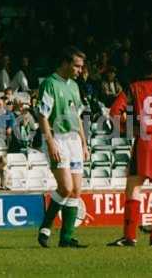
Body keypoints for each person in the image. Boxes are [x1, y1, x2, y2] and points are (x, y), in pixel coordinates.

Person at [108, 50, 152, 246]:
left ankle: (130, 236)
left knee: (134, 186)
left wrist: (128, 128)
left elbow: (114, 112)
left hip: (146, 141)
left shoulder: (134, 87)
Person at [37, 46, 89, 248]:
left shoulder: (74, 86)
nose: (79, 70)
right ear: (65, 63)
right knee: (65, 188)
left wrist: (84, 143)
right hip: (57, 137)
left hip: (74, 139)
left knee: (76, 190)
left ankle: (66, 238)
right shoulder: (50, 84)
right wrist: (50, 142)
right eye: (76, 66)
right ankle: (46, 224)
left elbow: (77, 116)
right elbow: (42, 115)